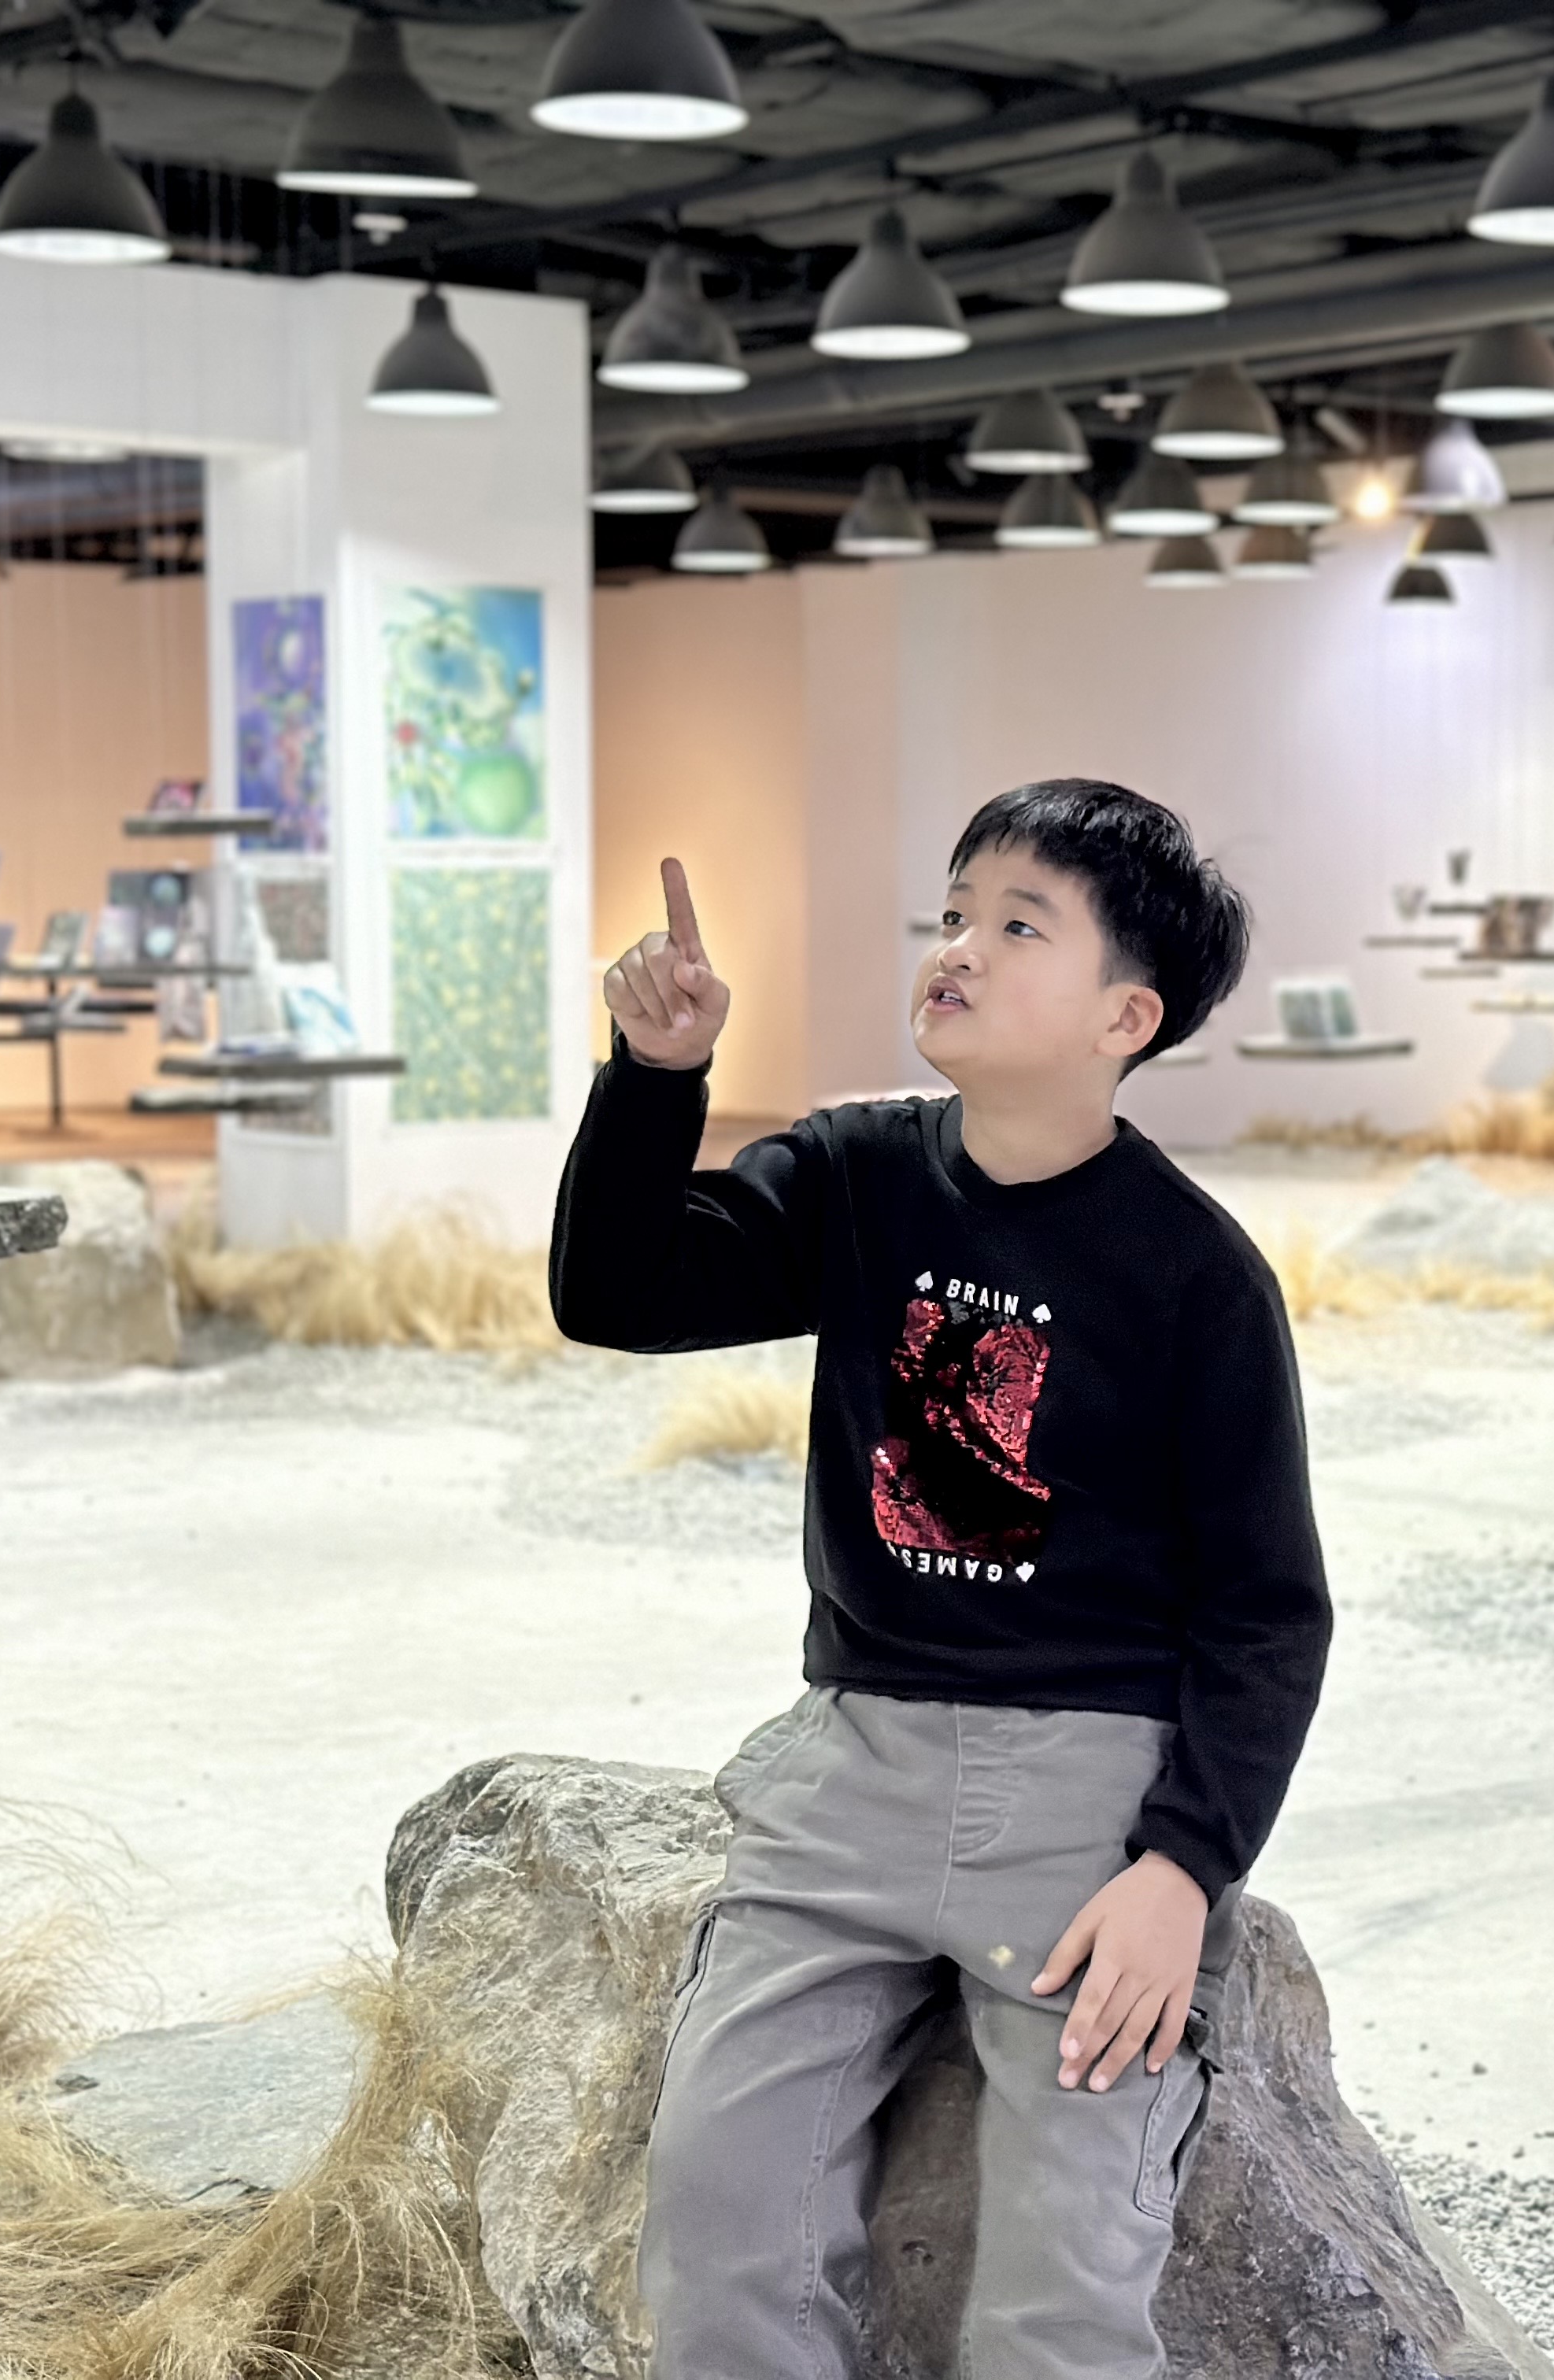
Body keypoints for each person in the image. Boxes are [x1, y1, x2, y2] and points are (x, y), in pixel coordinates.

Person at [549, 778, 1330, 2380]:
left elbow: (1267, 1609)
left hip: (1086, 1807)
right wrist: (658, 1073)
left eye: (1018, 925)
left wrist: (1185, 1869)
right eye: (954, 912)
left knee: (1065, 2283)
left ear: (1126, 1015)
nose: (958, 946)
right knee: (718, 2217)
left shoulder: (1196, 1274)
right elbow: (618, 1290)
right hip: (854, 1769)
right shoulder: (859, 1175)